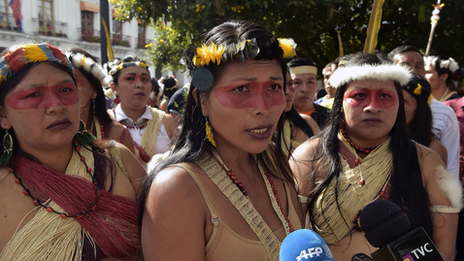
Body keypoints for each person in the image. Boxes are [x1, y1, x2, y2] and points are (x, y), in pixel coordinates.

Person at [140, 20, 304, 261]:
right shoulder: (176, 188)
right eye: (241, 89)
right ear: (202, 100)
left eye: (273, 86)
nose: (263, 107)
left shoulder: (274, 158)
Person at [291, 53, 461, 261]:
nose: (372, 106)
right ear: (340, 102)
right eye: (360, 96)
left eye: (385, 96)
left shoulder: (426, 161)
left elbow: (445, 251)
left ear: (400, 104)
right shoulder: (309, 156)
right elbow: (290, 237)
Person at [0, 43, 146, 260]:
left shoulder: (119, 159)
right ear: (3, 115)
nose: (56, 105)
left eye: (66, 90)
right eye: (33, 94)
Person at [388, 45, 460, 181]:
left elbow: (450, 169)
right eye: (404, 65)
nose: (413, 70)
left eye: (419, 66)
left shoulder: (445, 113)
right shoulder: (378, 108)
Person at [108, 56, 177, 164]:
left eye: (145, 79)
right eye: (130, 78)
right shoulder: (104, 123)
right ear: (114, 88)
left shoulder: (167, 121)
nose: (140, 85)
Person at [66, 48, 135, 154]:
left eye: (73, 81)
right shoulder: (46, 135)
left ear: (94, 90)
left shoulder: (118, 133)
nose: (65, 91)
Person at [403, 73, 447, 163]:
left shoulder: (433, 149)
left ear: (421, 108)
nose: (395, 106)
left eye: (403, 101)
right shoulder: (376, 140)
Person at [281, 71, 320, 157]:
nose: (288, 91)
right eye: (275, 86)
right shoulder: (255, 131)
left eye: (291, 84)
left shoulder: (307, 122)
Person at [288, 57, 329, 129]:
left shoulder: (331, 117)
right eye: (297, 82)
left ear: (316, 85)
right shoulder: (278, 119)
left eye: (310, 82)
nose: (305, 89)